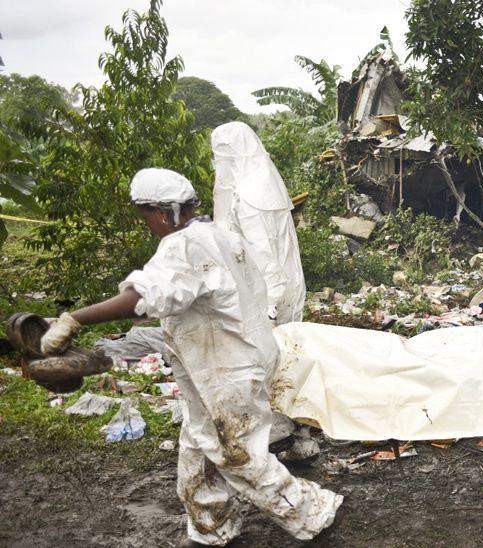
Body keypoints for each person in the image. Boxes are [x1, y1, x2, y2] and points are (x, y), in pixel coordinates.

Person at [39, 168, 342, 546]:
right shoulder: (221, 236)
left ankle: (313, 512)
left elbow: (144, 297)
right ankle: (210, 527)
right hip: (234, 358)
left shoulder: (184, 246)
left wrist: (74, 319)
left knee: (237, 454)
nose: (147, 224)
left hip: (227, 366)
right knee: (198, 446)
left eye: (145, 215)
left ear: (162, 212)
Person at [211, 121, 306, 325]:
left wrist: (268, 304)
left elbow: (262, 253)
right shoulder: (265, 183)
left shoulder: (248, 197)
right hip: (283, 287)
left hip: (267, 294)